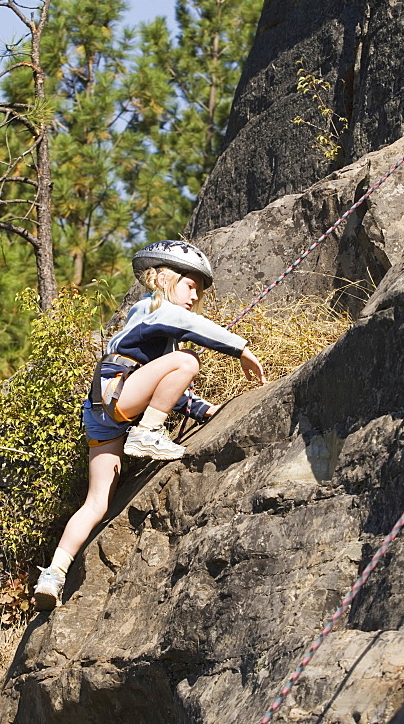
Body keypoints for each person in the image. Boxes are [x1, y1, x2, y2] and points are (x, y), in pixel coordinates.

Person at [33, 240, 265, 610]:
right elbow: (187, 331)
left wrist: (203, 409)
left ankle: (54, 574)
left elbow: (159, 383)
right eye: (190, 286)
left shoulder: (148, 328)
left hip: (102, 410)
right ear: (164, 279)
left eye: (199, 292)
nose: (194, 297)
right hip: (118, 397)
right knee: (188, 361)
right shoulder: (152, 309)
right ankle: (147, 434)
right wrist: (241, 348)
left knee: (96, 502)